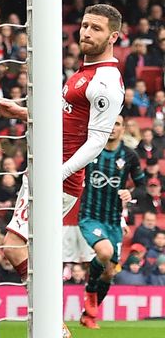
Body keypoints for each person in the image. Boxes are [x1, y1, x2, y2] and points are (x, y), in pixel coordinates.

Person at [0, 4, 125, 338]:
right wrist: (22, 112)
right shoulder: (82, 73)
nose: (87, 33)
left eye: (96, 28)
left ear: (113, 37)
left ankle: (54, 324)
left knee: (14, 246)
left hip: (59, 179)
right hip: (46, 171)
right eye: (85, 25)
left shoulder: (106, 81)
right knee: (31, 250)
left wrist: (56, 174)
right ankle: (52, 323)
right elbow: (65, 120)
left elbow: (96, 142)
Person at [77, 114, 145, 329]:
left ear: (123, 128)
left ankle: (88, 315)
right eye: (110, 124)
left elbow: (142, 187)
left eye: (117, 124)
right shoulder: (91, 150)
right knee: (104, 253)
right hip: (90, 216)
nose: (112, 128)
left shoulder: (130, 156)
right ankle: (89, 291)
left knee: (109, 273)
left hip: (113, 221)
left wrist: (130, 192)